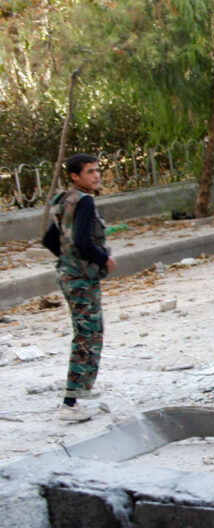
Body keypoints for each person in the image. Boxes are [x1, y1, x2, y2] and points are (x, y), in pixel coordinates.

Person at [54, 153, 116, 422]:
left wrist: (67, 261)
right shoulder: (85, 201)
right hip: (81, 279)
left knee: (85, 333)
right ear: (75, 176)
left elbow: (50, 237)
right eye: (89, 172)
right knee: (88, 336)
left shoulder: (63, 199)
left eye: (97, 170)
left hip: (69, 275)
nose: (96, 176)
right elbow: (81, 241)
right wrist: (104, 260)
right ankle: (70, 402)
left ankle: (77, 394)